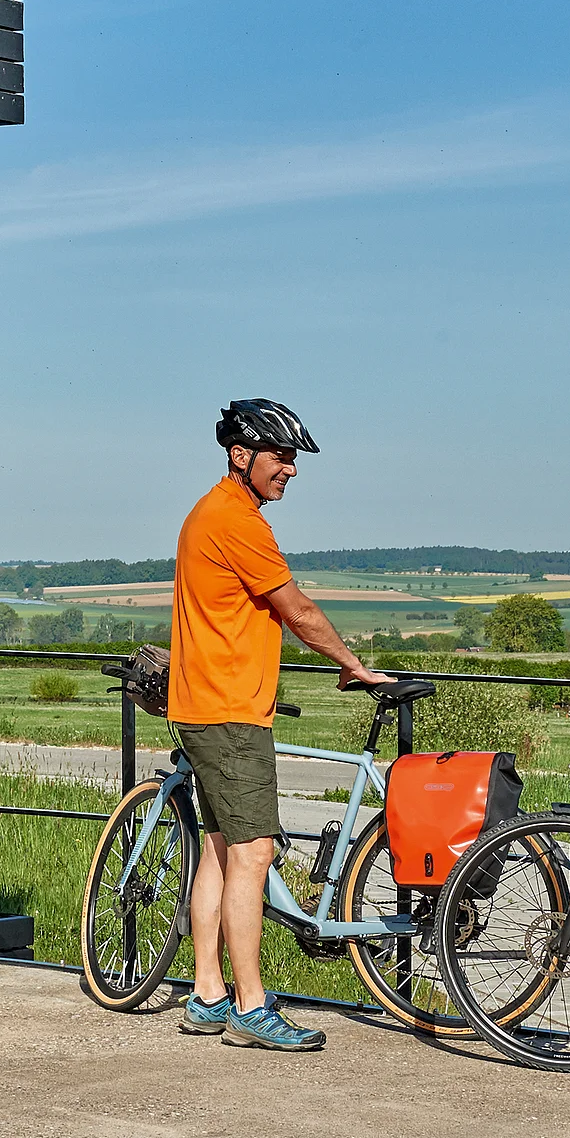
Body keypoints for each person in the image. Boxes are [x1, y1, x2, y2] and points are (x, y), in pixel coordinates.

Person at [170, 398, 391, 1052]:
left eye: (295, 459)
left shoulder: (211, 512)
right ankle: (251, 1006)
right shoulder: (238, 522)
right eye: (282, 457)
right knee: (254, 853)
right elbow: (297, 608)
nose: (291, 470)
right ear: (242, 456)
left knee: (219, 847)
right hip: (232, 711)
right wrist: (352, 664)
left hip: (202, 705)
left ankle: (208, 994)